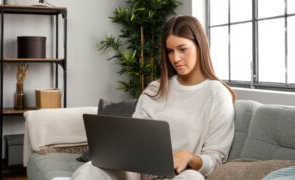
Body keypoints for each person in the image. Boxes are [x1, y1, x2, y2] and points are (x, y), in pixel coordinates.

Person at [71, 15, 236, 180]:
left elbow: (215, 158)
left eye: (183, 49)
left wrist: (189, 157)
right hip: (138, 170)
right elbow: (135, 138)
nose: (176, 58)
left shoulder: (217, 94)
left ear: (200, 46)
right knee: (91, 170)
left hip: (182, 175)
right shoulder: (155, 89)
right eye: (170, 51)